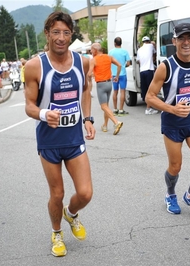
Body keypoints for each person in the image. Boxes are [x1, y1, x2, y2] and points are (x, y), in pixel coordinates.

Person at [24, 11, 95, 257]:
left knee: (85, 193)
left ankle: (71, 214)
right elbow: (29, 106)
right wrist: (44, 114)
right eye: (56, 32)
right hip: (49, 141)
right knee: (57, 193)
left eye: (66, 32)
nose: (61, 38)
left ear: (71, 34)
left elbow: (86, 90)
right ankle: (56, 233)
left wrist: (87, 118)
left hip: (74, 138)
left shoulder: (83, 62)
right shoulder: (34, 66)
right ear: (47, 33)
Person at [145, 23, 190, 219]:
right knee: (175, 167)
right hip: (172, 125)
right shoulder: (165, 67)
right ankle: (170, 194)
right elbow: (150, 97)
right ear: (174, 41)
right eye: (181, 38)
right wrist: (172, 108)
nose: (186, 42)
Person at [88, 42, 123, 135]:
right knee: (106, 106)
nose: (91, 51)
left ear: (95, 50)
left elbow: (89, 73)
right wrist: (117, 76)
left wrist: (88, 80)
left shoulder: (93, 60)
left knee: (103, 106)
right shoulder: (109, 57)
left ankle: (116, 122)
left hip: (101, 85)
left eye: (91, 50)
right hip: (109, 83)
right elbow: (119, 65)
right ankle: (105, 125)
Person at [108, 37, 131, 116]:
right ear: (121, 43)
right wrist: (124, 66)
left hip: (114, 74)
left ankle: (115, 109)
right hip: (122, 74)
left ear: (114, 43)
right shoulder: (125, 52)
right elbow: (128, 63)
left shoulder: (111, 52)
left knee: (115, 91)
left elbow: (108, 62)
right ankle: (121, 109)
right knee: (122, 91)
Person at [137, 36, 158, 115]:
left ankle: (148, 106)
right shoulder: (151, 46)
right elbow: (155, 54)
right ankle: (148, 108)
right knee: (151, 90)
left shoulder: (139, 50)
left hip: (142, 71)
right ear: (149, 41)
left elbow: (138, 61)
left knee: (145, 90)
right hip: (149, 70)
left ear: (143, 42)